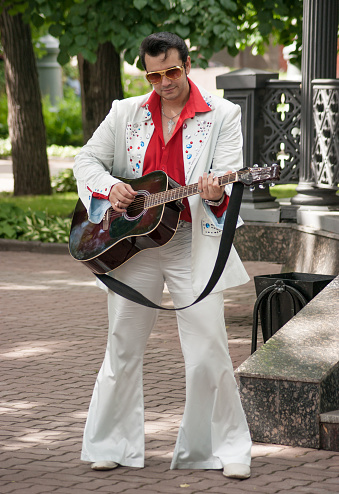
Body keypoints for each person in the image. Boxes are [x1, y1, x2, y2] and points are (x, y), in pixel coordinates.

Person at [73, 31, 252, 480]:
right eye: (154, 75)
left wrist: (215, 191)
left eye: (172, 71)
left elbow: (226, 177)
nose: (164, 82)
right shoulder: (125, 112)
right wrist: (109, 187)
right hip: (137, 243)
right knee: (123, 345)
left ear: (188, 65)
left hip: (192, 241)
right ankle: (112, 443)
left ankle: (226, 448)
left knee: (209, 347)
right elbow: (86, 161)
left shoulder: (223, 115)